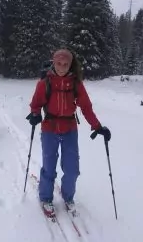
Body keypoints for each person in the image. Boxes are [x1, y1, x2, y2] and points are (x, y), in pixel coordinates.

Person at [27, 49, 111, 217]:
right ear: (53, 62)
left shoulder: (75, 84)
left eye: (66, 64)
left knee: (72, 169)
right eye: (59, 64)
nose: (62, 67)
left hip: (70, 129)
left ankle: (68, 197)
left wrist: (97, 126)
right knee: (49, 166)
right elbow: (35, 103)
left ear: (70, 64)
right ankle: (45, 198)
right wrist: (35, 114)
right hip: (49, 128)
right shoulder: (45, 83)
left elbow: (86, 107)